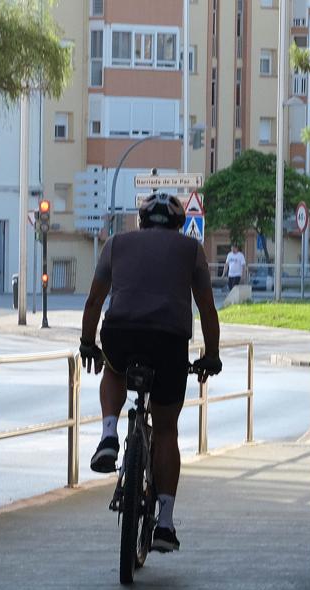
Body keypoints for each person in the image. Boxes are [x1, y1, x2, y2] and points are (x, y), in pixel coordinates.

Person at [79, 192, 223, 553]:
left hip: (121, 333)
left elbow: (95, 300)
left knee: (112, 368)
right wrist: (212, 356)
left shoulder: (116, 244)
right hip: (169, 342)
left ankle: (109, 435)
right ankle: (165, 522)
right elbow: (206, 308)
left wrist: (87, 343)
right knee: (167, 430)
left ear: (141, 221)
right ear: (178, 225)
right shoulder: (191, 251)